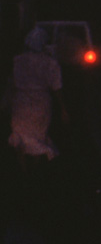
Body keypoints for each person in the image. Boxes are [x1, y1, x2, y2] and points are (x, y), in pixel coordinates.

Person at [5, 27, 69, 167]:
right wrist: (63, 109)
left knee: (20, 134)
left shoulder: (18, 60)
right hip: (40, 103)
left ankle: (23, 169)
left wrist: (7, 101)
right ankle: (35, 167)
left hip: (21, 103)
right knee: (38, 137)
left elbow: (12, 83)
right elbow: (57, 87)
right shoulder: (50, 62)